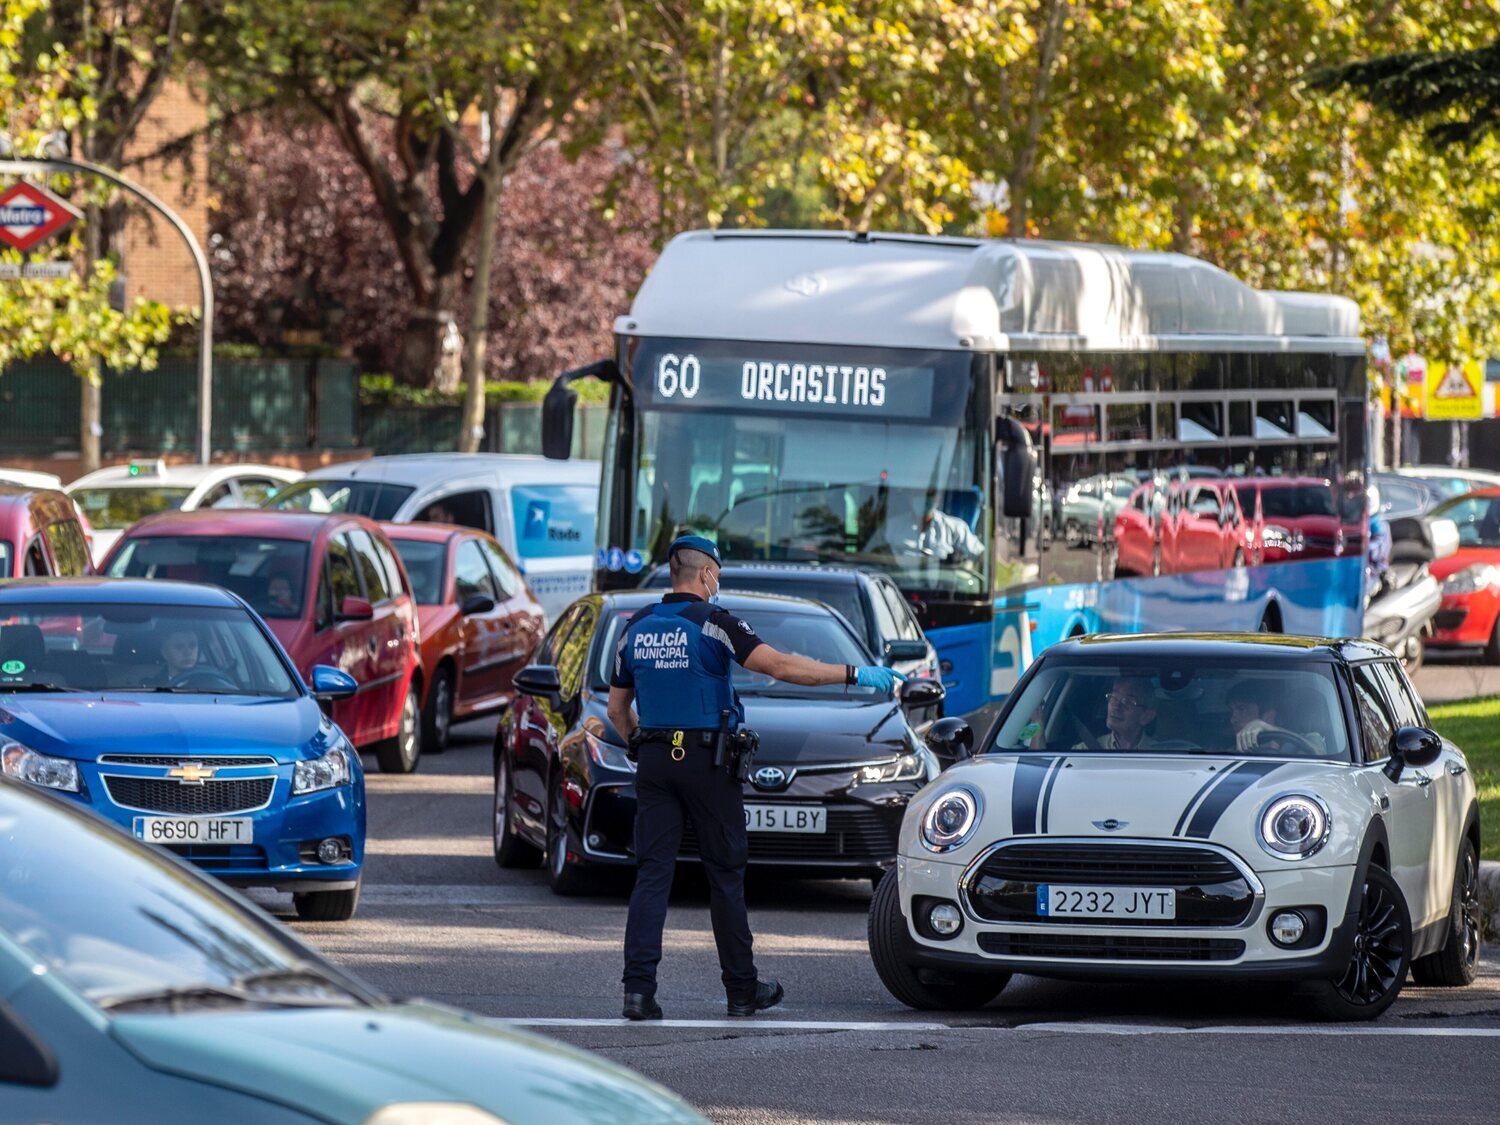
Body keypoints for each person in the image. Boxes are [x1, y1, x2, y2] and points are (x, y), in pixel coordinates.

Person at [607, 534, 905, 1022]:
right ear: (706, 574)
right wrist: (854, 673)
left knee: (652, 877)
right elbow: (783, 668)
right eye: (717, 575)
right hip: (706, 762)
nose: (717, 582)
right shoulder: (716, 624)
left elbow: (619, 710)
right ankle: (741, 990)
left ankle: (638, 992)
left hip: (656, 762)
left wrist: (645, 746)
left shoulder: (634, 628)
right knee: (724, 875)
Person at [887, 488, 986, 565]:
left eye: (929, 494)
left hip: (943, 588)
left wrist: (962, 563)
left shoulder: (956, 528)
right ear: (910, 497)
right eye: (918, 493)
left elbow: (981, 555)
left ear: (938, 498)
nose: (924, 497)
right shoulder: (893, 526)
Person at [1227, 680, 1323, 754]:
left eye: (1243, 710)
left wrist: (1269, 729)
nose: (1233, 719)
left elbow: (1319, 753)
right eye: (1232, 711)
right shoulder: (1232, 749)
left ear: (1269, 716)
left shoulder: (1309, 738)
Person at [1076, 675, 1158, 750]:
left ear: (1146, 716)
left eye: (1128, 701)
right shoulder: (1082, 750)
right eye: (1113, 697)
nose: (1116, 706)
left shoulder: (1161, 754)